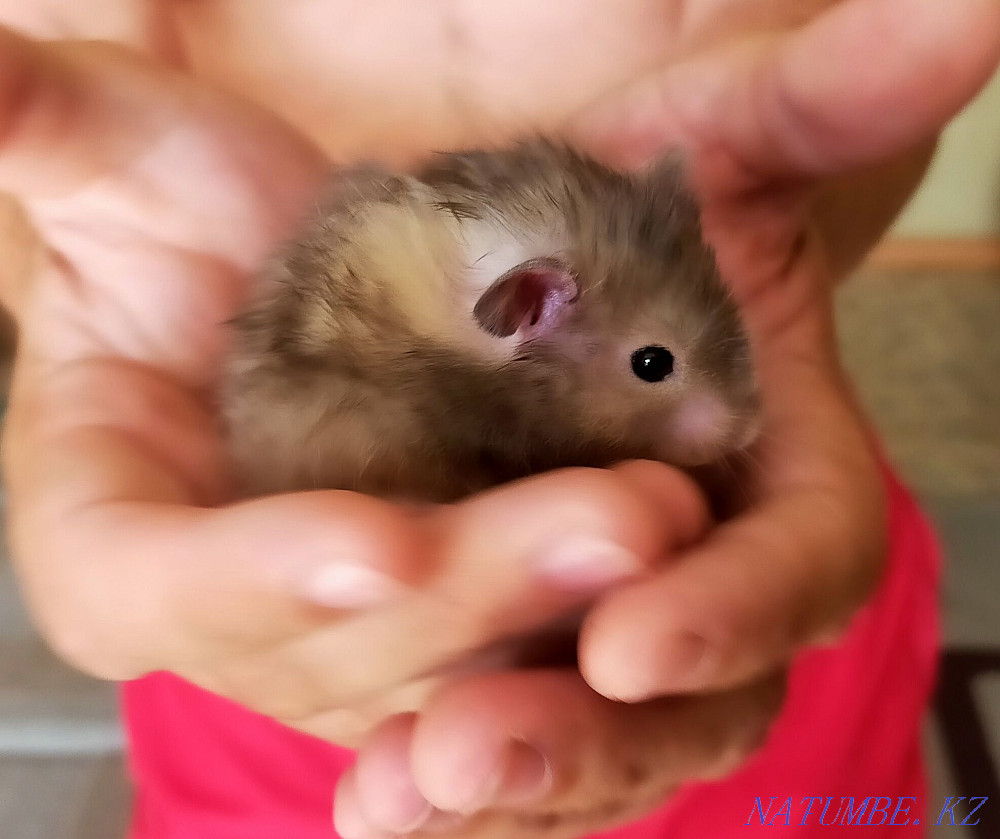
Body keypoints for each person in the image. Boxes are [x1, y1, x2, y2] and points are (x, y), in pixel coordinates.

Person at [0, 1, 997, 837]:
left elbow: (867, 107)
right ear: (522, 311)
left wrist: (787, 205)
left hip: (757, 587)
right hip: (270, 597)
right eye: (654, 365)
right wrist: (71, 264)